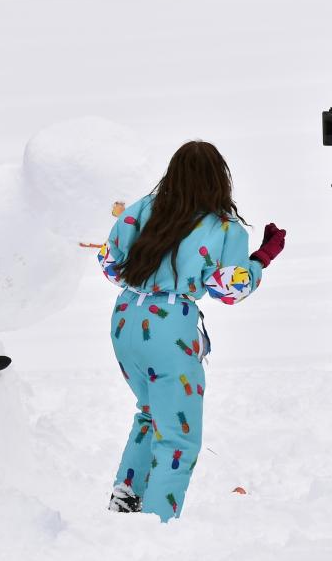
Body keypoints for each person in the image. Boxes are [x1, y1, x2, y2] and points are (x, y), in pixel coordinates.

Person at [97, 140, 286, 521]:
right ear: (220, 180)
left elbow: (109, 263)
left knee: (150, 411)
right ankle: (156, 520)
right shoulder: (223, 227)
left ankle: (127, 494)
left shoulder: (140, 210)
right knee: (178, 438)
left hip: (124, 320)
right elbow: (230, 288)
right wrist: (262, 257)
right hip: (170, 328)